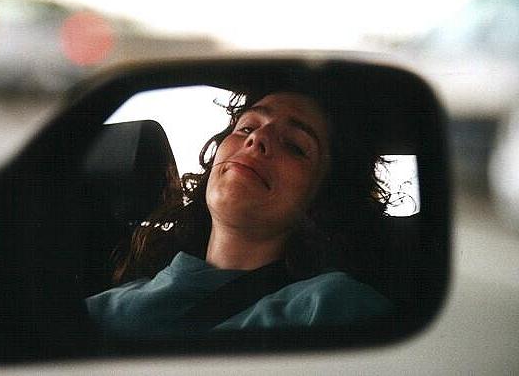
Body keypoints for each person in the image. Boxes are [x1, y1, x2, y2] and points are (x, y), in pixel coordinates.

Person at [86, 82, 394, 337]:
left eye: (294, 146)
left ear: (325, 196)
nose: (258, 138)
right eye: (246, 127)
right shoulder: (105, 306)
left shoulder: (333, 306)